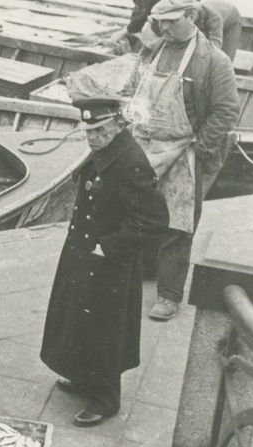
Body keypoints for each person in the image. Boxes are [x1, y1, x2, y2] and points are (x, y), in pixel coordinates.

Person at [40, 98, 169, 427]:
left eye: (99, 130)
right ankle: (84, 378)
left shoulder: (131, 162)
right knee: (80, 320)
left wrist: (109, 247)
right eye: (88, 131)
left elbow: (153, 220)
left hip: (108, 260)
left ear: (118, 124)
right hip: (85, 252)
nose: (92, 137)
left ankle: (106, 399)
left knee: (104, 330)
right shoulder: (107, 151)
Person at [129, 0, 240, 322]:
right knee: (140, 212)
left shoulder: (213, 61)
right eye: (159, 22)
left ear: (191, 18)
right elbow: (132, 89)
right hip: (146, 145)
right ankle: (145, 271)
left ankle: (169, 294)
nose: (163, 29)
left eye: (171, 22)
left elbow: (226, 112)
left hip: (186, 151)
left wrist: (199, 150)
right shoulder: (152, 49)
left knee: (178, 224)